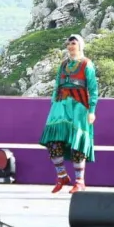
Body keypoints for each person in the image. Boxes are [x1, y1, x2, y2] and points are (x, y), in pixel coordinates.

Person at [39, 34, 99, 194]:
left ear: (80, 45)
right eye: (69, 43)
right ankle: (62, 176)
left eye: (74, 43)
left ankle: (80, 182)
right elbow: (57, 85)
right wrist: (54, 103)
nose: (71, 46)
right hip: (61, 106)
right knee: (53, 141)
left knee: (77, 144)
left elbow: (93, 89)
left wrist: (92, 110)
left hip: (79, 107)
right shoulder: (63, 64)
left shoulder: (87, 64)